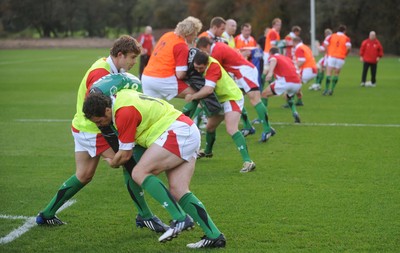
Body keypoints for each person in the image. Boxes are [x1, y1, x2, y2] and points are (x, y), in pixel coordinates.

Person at [35, 35, 168, 233]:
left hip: (82, 127)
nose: (133, 62)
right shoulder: (100, 73)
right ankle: (145, 216)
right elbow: (97, 109)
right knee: (130, 163)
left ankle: (46, 215)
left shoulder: (107, 67)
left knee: (84, 175)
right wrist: (119, 141)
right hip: (93, 130)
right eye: (132, 58)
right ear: (120, 55)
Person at [82, 90, 226, 249]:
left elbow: (125, 155)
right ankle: (214, 236)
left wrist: (112, 162)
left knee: (139, 172)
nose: (100, 125)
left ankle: (179, 218)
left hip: (177, 133)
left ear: (107, 110)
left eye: (100, 121)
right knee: (179, 189)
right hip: (185, 130)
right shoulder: (121, 97)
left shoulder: (123, 112)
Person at [185, 51, 256, 173]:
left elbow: (208, 90)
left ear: (206, 64)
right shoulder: (203, 64)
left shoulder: (213, 66)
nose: (197, 70)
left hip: (231, 97)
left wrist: (193, 96)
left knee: (231, 129)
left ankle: (248, 161)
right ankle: (208, 151)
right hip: (220, 99)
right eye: (195, 67)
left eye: (200, 68)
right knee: (210, 128)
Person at [196, 36, 275, 142]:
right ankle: (248, 126)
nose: (203, 53)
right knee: (236, 97)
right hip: (239, 73)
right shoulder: (218, 47)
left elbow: (212, 69)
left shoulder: (216, 51)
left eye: (202, 50)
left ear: (206, 46)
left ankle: (267, 128)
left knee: (255, 99)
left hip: (245, 72)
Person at [141, 16, 202, 100]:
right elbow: (180, 75)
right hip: (163, 78)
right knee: (198, 94)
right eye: (195, 33)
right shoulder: (181, 45)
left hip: (146, 77)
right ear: (189, 33)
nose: (195, 36)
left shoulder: (167, 35)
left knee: (153, 110)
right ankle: (190, 113)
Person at [262, 47, 302, 123]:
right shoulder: (287, 58)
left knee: (264, 94)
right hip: (297, 82)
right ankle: (294, 112)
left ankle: (263, 118)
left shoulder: (273, 57)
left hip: (285, 81)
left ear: (270, 53)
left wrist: (270, 73)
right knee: (287, 96)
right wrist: (299, 90)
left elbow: (273, 60)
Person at [322, 24, 351, 95]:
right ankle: (331, 89)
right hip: (340, 57)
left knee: (328, 72)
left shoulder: (332, 36)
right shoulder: (346, 38)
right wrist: (345, 54)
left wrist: (327, 52)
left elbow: (325, 44)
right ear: (344, 31)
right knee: (336, 73)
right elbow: (348, 48)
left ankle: (326, 89)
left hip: (331, 56)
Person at [291, 36, 317, 106]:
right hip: (312, 69)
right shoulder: (305, 47)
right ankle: (299, 101)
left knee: (292, 83)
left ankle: (291, 102)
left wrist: (293, 68)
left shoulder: (299, 48)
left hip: (307, 69)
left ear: (295, 42)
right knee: (296, 84)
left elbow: (302, 61)